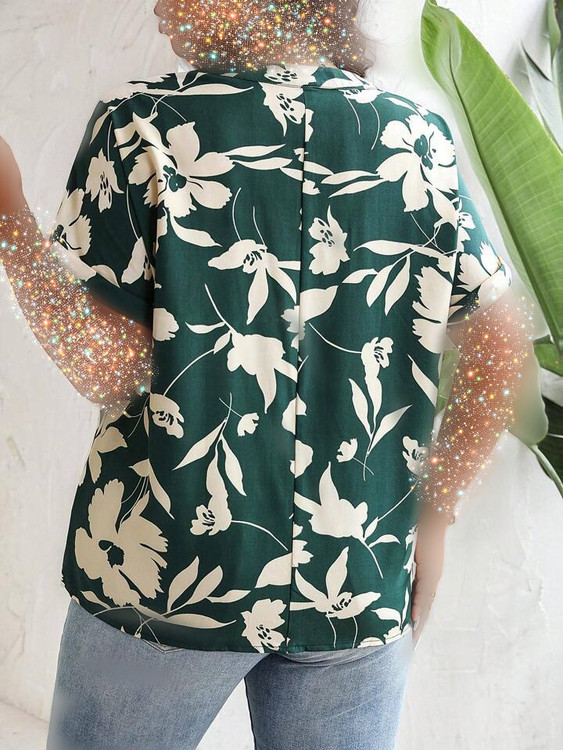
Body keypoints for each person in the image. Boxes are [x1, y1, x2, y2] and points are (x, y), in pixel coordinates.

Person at [0, 1, 530, 748]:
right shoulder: (415, 135)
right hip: (357, 573)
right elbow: (502, 348)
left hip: (168, 572)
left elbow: (106, 369)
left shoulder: (142, 124)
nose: (158, 6)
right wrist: (433, 518)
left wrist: (9, 218)